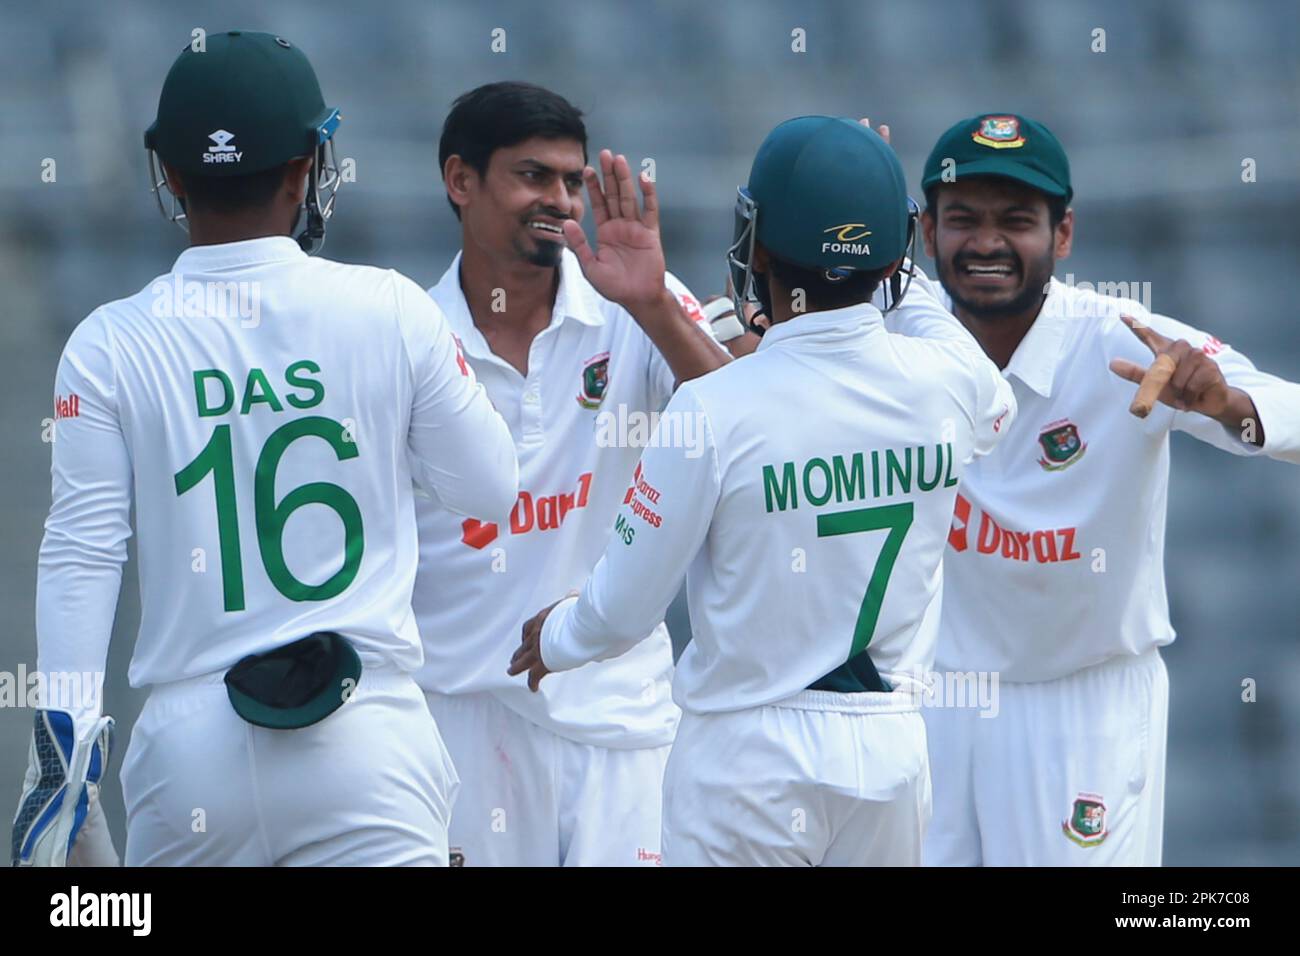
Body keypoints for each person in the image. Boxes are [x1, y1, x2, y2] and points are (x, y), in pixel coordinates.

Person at [11, 30, 517, 867]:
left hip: (190, 747)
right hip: (367, 737)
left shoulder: (109, 343)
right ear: (303, 169)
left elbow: (82, 552)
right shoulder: (391, 307)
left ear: (169, 174)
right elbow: (492, 489)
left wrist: (65, 740)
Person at [509, 115, 1016, 866]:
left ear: (759, 245)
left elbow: (620, 611)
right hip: (890, 748)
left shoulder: (713, 408)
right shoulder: (952, 379)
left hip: (746, 762)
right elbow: (974, 383)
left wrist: (556, 638)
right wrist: (866, 211)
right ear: (894, 255)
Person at [917, 112, 1300, 866]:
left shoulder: (1125, 341)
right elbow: (750, 344)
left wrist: (1229, 405)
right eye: (963, 219)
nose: (987, 243)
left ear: (1063, 236)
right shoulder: (895, 335)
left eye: (1017, 221)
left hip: (1082, 710)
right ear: (927, 232)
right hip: (935, 702)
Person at [411, 82, 729, 866]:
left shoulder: (635, 306)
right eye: (532, 176)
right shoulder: (409, 334)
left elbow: (744, 427)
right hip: (460, 720)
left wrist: (654, 304)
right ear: (461, 181)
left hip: (620, 720)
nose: (558, 199)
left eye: (571, 181)